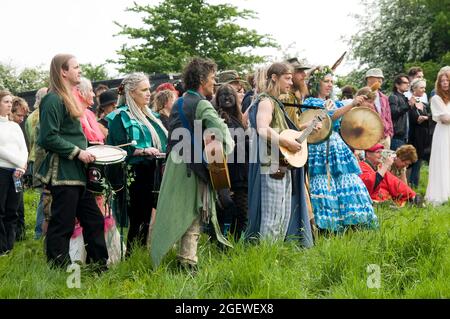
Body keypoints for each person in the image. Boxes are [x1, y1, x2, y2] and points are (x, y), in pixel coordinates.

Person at [150, 57, 234, 271]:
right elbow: (224, 135)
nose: (214, 83)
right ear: (201, 79)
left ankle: (184, 258)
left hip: (175, 165)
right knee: (195, 213)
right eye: (212, 78)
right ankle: (187, 263)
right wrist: (222, 150)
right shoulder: (202, 103)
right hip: (192, 168)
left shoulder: (179, 101)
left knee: (181, 212)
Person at [36, 53, 108, 269]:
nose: (80, 71)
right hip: (64, 172)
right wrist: (78, 152)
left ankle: (98, 266)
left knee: (94, 220)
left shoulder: (69, 97)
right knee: (63, 224)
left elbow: (72, 135)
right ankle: (59, 269)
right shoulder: (52, 99)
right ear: (63, 71)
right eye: (76, 67)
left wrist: (92, 150)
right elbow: (47, 137)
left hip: (78, 173)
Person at [303, 66, 377, 232]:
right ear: (316, 83)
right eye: (326, 81)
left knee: (347, 181)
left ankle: (352, 221)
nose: (330, 85)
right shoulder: (310, 102)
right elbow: (328, 117)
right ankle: (327, 226)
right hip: (320, 146)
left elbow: (344, 120)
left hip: (337, 147)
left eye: (332, 82)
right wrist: (351, 104)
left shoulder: (335, 102)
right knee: (323, 182)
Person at [246, 62, 314, 246]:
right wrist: (285, 142)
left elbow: (283, 131)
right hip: (270, 165)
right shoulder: (266, 101)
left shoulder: (276, 102)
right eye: (287, 78)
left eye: (291, 78)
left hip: (281, 164)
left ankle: (273, 256)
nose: (290, 83)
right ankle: (266, 259)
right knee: (272, 218)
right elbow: (262, 129)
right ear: (274, 78)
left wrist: (306, 130)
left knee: (282, 215)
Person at [107, 72, 168, 254]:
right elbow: (117, 148)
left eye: (149, 89)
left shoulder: (151, 115)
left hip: (153, 169)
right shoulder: (119, 116)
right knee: (138, 216)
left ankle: (142, 253)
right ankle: (132, 255)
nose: (149, 93)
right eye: (144, 90)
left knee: (149, 215)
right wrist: (141, 150)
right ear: (131, 93)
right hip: (134, 171)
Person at [213, 84, 249, 241]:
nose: (227, 98)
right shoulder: (217, 118)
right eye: (223, 95)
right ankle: (220, 243)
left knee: (242, 212)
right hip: (224, 172)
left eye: (230, 95)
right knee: (224, 209)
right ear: (217, 99)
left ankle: (236, 244)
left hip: (241, 173)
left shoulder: (238, 119)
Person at [0, 90, 28, 255]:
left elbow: (23, 148)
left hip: (16, 173)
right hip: (2, 171)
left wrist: (21, 167)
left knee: (13, 210)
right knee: (1, 210)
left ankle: (9, 247)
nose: (9, 104)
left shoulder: (15, 126)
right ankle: (1, 247)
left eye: (11, 102)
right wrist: (18, 162)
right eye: (6, 101)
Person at [24, 87, 48, 240]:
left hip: (33, 158)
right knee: (45, 197)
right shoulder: (44, 115)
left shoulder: (30, 117)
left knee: (43, 196)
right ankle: (40, 233)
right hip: (42, 159)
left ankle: (40, 232)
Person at [425, 68, 450, 206]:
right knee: (442, 161)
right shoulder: (436, 98)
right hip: (443, 134)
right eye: (442, 81)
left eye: (447, 80)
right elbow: (445, 118)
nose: (444, 83)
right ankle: (440, 195)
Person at [407, 78, 434, 188]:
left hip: (425, 137)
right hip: (414, 137)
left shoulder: (424, 104)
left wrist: (426, 117)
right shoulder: (409, 102)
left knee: (419, 163)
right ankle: (409, 186)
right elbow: (412, 119)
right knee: (412, 162)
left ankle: (415, 187)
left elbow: (432, 117)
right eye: (422, 87)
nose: (424, 89)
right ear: (414, 89)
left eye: (424, 87)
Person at [10, 97, 30, 241]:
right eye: (18, 115)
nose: (21, 119)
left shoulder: (17, 128)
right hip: (7, 170)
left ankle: (20, 235)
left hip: (18, 172)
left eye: (23, 116)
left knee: (19, 203)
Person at [365, 68, 394, 149]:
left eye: (381, 78)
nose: (380, 80)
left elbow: (388, 116)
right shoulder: (363, 95)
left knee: (385, 160)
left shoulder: (384, 97)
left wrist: (390, 133)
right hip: (370, 136)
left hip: (385, 136)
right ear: (369, 79)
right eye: (377, 77)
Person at [389, 74, 414, 151]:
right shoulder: (393, 97)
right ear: (397, 85)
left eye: (408, 83)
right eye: (405, 83)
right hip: (397, 136)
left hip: (404, 136)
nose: (408, 84)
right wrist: (408, 105)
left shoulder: (404, 97)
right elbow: (394, 113)